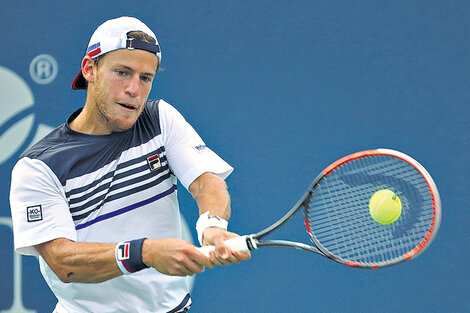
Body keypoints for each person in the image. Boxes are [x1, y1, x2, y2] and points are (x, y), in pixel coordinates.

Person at [9, 16, 250, 313]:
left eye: (145, 78)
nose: (134, 89)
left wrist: (212, 225)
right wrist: (144, 252)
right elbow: (63, 261)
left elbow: (206, 181)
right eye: (122, 73)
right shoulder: (39, 166)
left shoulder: (160, 120)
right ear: (89, 69)